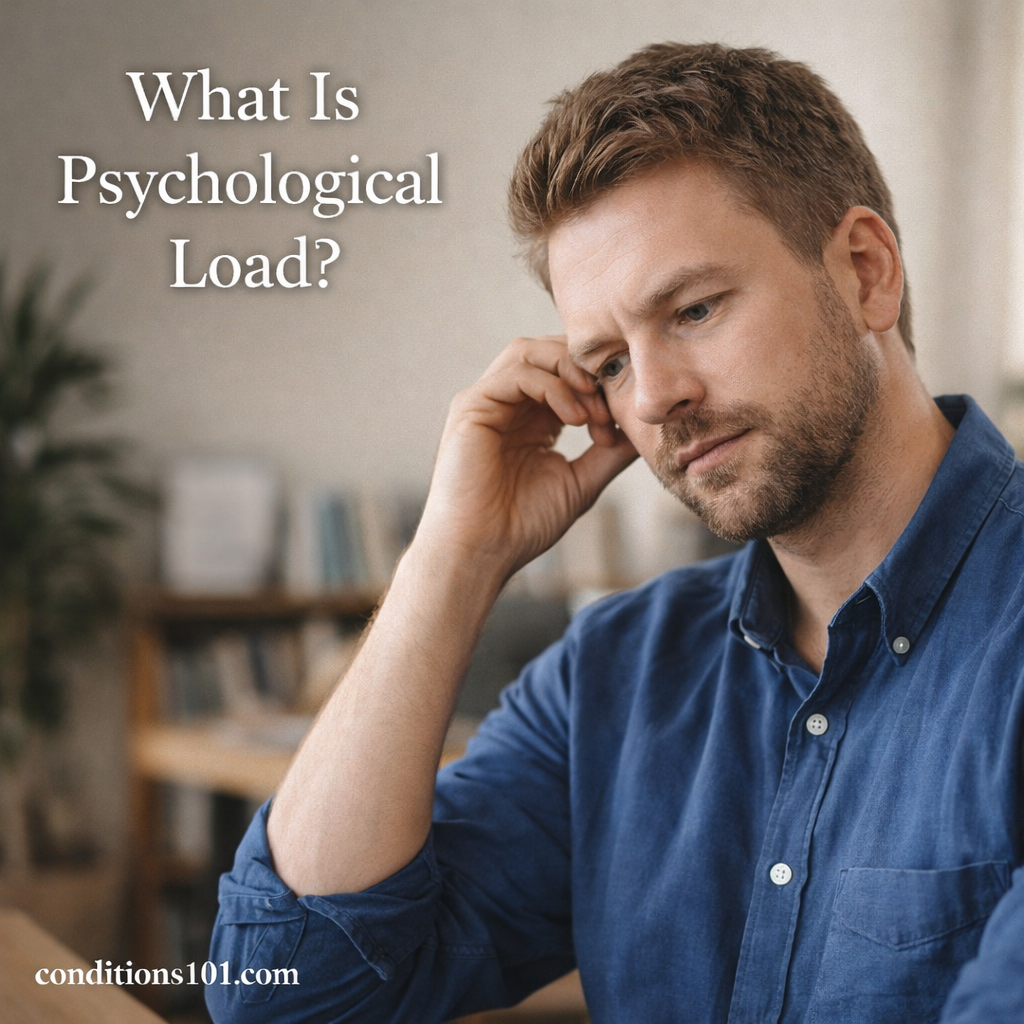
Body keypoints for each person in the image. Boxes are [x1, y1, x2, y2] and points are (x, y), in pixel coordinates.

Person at [207, 43, 1024, 1024]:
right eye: (605, 364)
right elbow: (290, 995)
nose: (656, 395)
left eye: (693, 309)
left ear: (863, 271)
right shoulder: (613, 674)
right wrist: (454, 557)